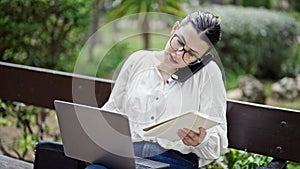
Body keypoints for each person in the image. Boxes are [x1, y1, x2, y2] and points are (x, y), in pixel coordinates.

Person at [86, 11, 228, 169]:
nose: (179, 54)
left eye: (191, 55)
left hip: (174, 161)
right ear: (174, 29)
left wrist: (202, 140)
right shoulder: (138, 60)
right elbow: (113, 110)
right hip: (126, 155)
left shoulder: (209, 74)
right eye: (179, 42)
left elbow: (219, 142)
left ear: (202, 56)